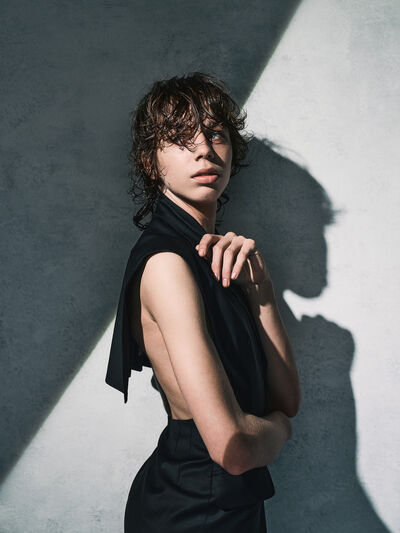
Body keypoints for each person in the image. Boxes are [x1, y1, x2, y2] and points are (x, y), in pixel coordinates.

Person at [105, 72, 301, 532]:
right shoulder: (167, 265)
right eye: (179, 138)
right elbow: (235, 449)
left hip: (229, 505)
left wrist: (261, 291)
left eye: (215, 133)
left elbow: (285, 399)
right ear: (151, 162)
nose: (204, 150)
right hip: (191, 510)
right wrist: (280, 430)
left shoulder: (215, 256)